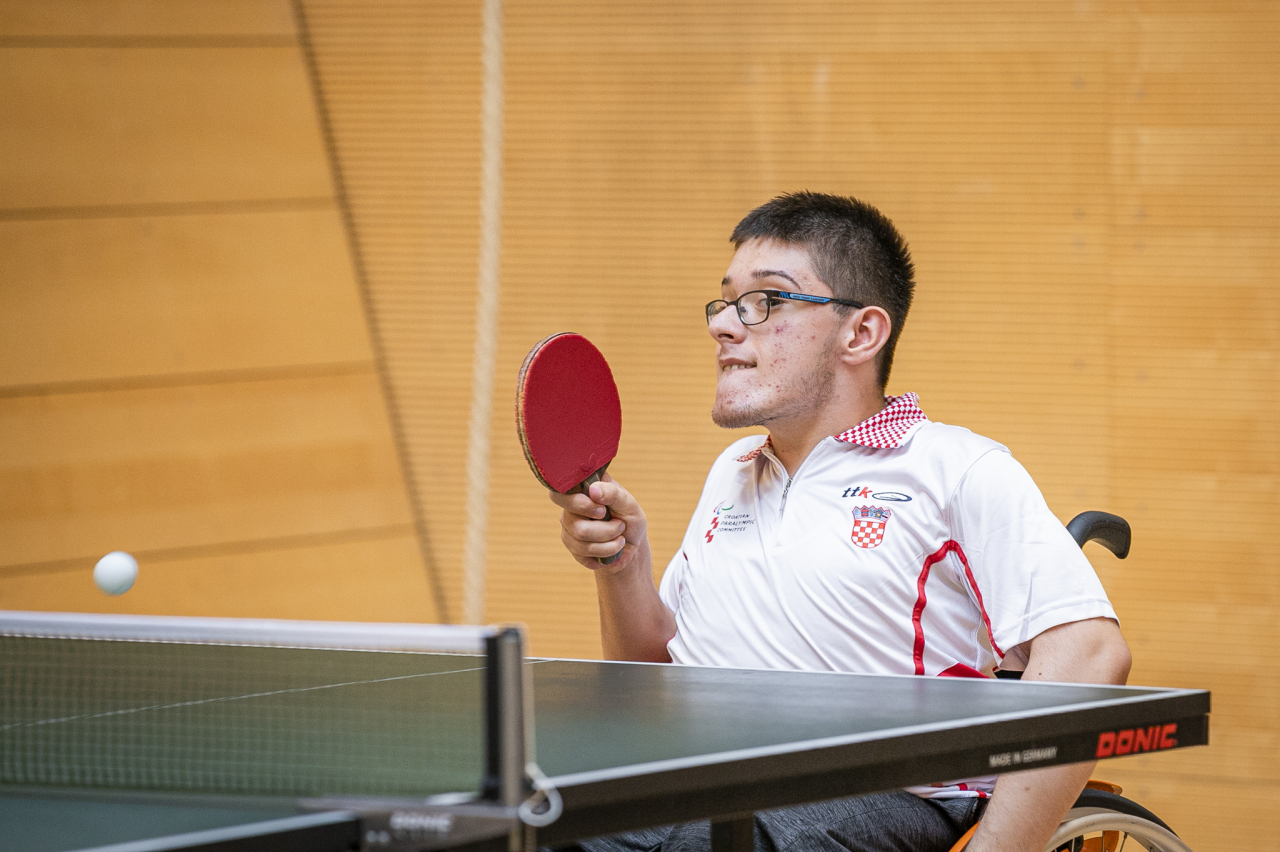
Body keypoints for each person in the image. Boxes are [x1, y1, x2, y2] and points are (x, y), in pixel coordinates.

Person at [549, 192, 1132, 852]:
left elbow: (1092, 653)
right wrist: (623, 566)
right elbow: (653, 680)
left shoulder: (956, 469)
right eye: (726, 302)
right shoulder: (734, 471)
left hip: (885, 795)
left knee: (723, 835)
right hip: (706, 784)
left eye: (765, 301)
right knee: (538, 818)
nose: (725, 326)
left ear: (860, 334)